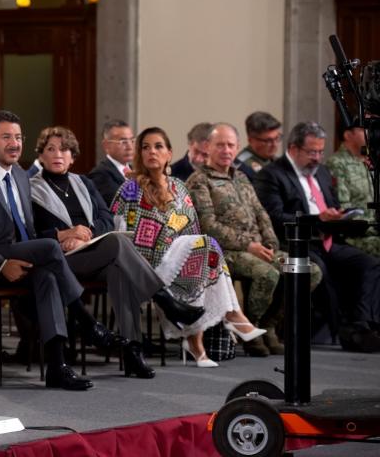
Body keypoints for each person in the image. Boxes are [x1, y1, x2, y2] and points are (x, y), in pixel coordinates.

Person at [0, 111, 120, 390]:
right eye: (6, 137)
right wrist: (3, 265)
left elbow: (29, 232)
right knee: (50, 248)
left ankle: (57, 366)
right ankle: (87, 323)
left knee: (48, 276)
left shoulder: (20, 174)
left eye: (18, 137)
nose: (14, 144)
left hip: (19, 257)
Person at [29, 126, 202, 378]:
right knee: (118, 244)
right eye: (51, 149)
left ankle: (132, 351)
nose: (58, 154)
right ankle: (165, 300)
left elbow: (106, 219)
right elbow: (29, 232)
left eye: (64, 149)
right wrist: (63, 235)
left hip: (89, 251)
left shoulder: (83, 182)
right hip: (58, 260)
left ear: (73, 156)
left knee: (119, 269)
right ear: (41, 156)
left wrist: (84, 233)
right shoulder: (31, 187)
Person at [111, 127, 265, 367]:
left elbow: (192, 228)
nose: (152, 151)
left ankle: (198, 340)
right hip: (144, 265)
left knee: (203, 254)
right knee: (205, 246)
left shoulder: (179, 188)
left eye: (158, 146)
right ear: (139, 155)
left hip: (180, 260)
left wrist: (187, 250)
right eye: (145, 147)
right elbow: (122, 235)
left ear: (169, 154)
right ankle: (231, 316)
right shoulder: (130, 189)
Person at [186, 124, 322, 357]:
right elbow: (209, 226)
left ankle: (268, 325)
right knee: (267, 274)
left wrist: (270, 243)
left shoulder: (241, 177)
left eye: (231, 145)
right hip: (223, 251)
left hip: (258, 248)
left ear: (238, 147)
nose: (226, 150)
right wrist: (249, 245)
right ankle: (248, 329)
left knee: (308, 271)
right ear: (208, 147)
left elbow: (261, 213)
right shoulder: (200, 181)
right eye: (220, 145)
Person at [254, 121, 380, 352]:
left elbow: (331, 205)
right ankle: (340, 330)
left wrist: (338, 214)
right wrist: (317, 219)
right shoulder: (272, 175)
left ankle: (361, 326)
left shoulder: (320, 172)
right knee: (322, 271)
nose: (318, 158)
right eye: (312, 152)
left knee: (369, 264)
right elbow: (274, 216)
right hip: (298, 243)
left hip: (328, 240)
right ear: (293, 149)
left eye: (321, 152)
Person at [325, 124, 380, 257]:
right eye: (363, 129)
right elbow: (344, 209)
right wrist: (373, 226)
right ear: (348, 135)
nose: (369, 132)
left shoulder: (370, 161)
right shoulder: (337, 163)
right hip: (355, 236)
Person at [88, 120, 136, 206]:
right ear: (106, 145)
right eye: (123, 142)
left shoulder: (135, 170)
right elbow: (118, 205)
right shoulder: (100, 174)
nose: (130, 147)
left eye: (132, 140)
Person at [237, 111, 282, 175]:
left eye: (277, 138)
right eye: (268, 141)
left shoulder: (275, 160)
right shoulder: (242, 167)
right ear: (251, 140)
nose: (274, 144)